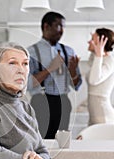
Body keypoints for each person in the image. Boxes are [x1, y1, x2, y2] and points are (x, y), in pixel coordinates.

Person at [27, 11, 82, 139]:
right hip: (41, 102)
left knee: (61, 144)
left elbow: (77, 85)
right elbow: (28, 84)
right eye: (58, 26)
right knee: (41, 142)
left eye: (63, 27)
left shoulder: (69, 51)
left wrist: (73, 72)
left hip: (63, 102)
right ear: (46, 26)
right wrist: (50, 68)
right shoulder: (31, 52)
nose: (62, 30)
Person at [86, 28, 114, 125]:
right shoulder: (98, 59)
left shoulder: (110, 61)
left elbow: (94, 80)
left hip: (104, 118)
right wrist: (98, 53)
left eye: (92, 39)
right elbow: (92, 62)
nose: (89, 41)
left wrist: (99, 54)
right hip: (95, 117)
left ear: (101, 43)